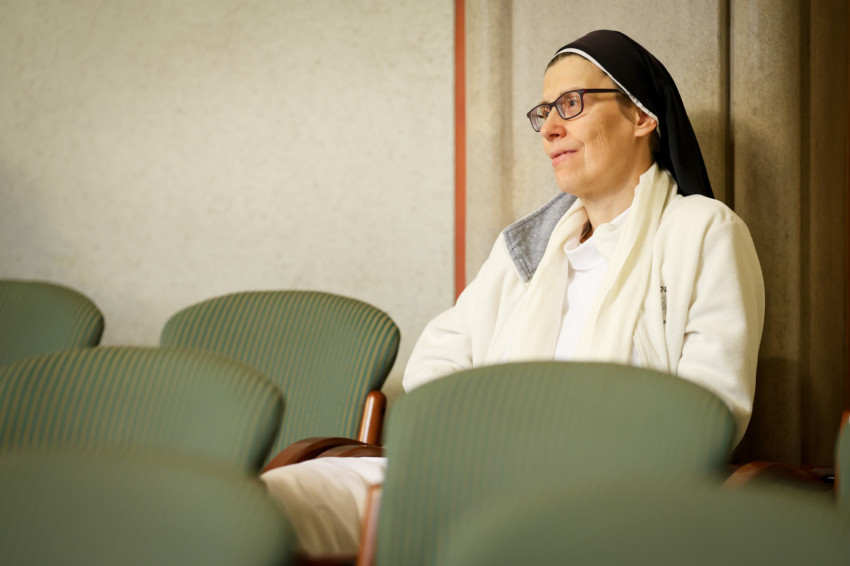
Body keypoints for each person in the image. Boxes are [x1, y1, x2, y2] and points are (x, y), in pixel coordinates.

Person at [261, 29, 765, 557]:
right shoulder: (529, 248)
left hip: (602, 490)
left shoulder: (701, 232)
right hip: (468, 469)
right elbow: (436, 364)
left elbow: (712, 409)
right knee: (273, 499)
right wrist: (472, 447)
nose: (549, 128)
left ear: (641, 116)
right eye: (544, 111)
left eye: (571, 104)